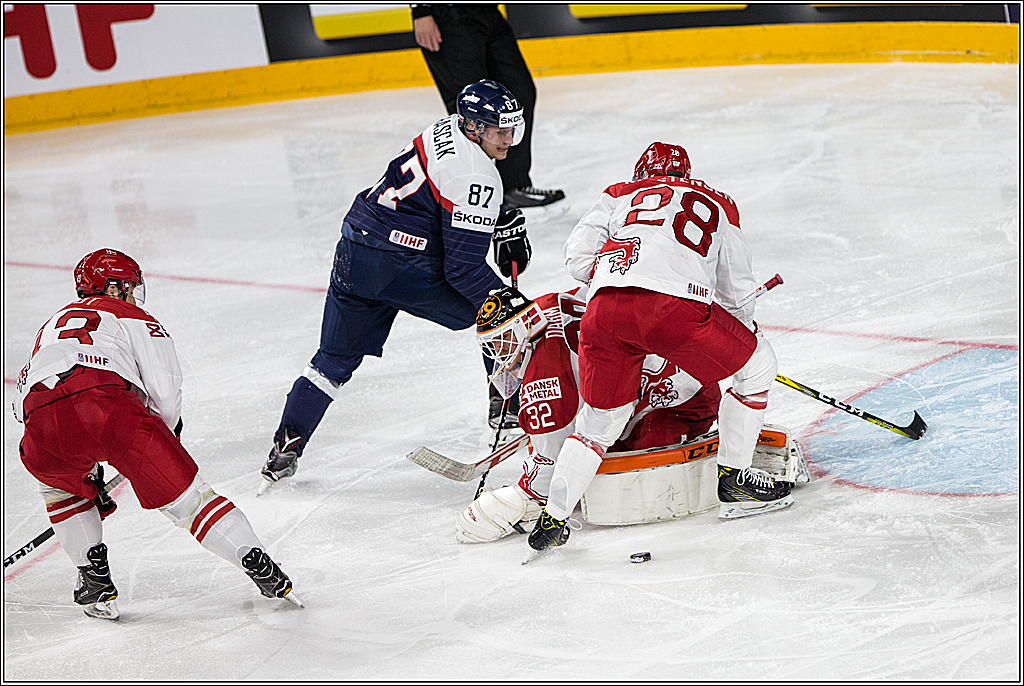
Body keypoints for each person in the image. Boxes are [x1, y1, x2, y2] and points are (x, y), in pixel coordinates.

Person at [260, 79, 534, 492]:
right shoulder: (478, 173)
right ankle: (508, 404)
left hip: (355, 246)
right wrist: (517, 313)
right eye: (499, 131)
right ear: (474, 127)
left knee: (332, 361)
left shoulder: (444, 127)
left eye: (513, 129)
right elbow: (462, 270)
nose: (509, 140)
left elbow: (431, 199)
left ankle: (284, 449)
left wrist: (491, 223)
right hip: (403, 265)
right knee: (497, 307)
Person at [527, 142, 792, 554]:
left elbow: (578, 258)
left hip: (605, 311)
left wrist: (625, 267)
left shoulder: (618, 193)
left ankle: (554, 518)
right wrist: (740, 330)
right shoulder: (719, 203)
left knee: (598, 425)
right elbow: (737, 290)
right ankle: (735, 479)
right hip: (674, 310)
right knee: (758, 367)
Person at [13, 249, 299, 620]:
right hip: (109, 405)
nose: (133, 295)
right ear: (113, 287)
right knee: (189, 501)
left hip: (40, 414)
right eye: (129, 287)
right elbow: (164, 388)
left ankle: (94, 581)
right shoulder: (130, 314)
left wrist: (82, 468)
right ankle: (258, 564)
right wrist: (162, 435)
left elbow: (21, 401)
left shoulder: (49, 327)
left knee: (59, 488)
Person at [455, 286, 722, 543]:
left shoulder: (546, 377)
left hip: (679, 398)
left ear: (527, 324)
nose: (499, 354)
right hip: (662, 370)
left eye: (504, 342)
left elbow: (548, 474)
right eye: (493, 346)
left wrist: (511, 502)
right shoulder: (546, 305)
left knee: (624, 475)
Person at [411, 3, 565, 210]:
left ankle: (513, 186)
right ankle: (473, 192)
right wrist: (421, 10)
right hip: (447, 14)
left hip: (487, 11)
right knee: (470, 109)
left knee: (518, 93)